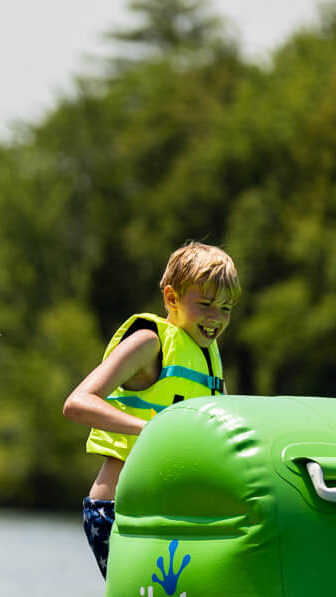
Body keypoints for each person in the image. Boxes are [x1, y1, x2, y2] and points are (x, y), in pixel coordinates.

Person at [62, 242, 238, 576]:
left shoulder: (210, 358)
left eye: (226, 308)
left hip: (173, 514)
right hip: (120, 512)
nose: (216, 318)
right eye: (205, 304)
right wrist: (149, 429)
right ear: (172, 298)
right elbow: (77, 403)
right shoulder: (149, 342)